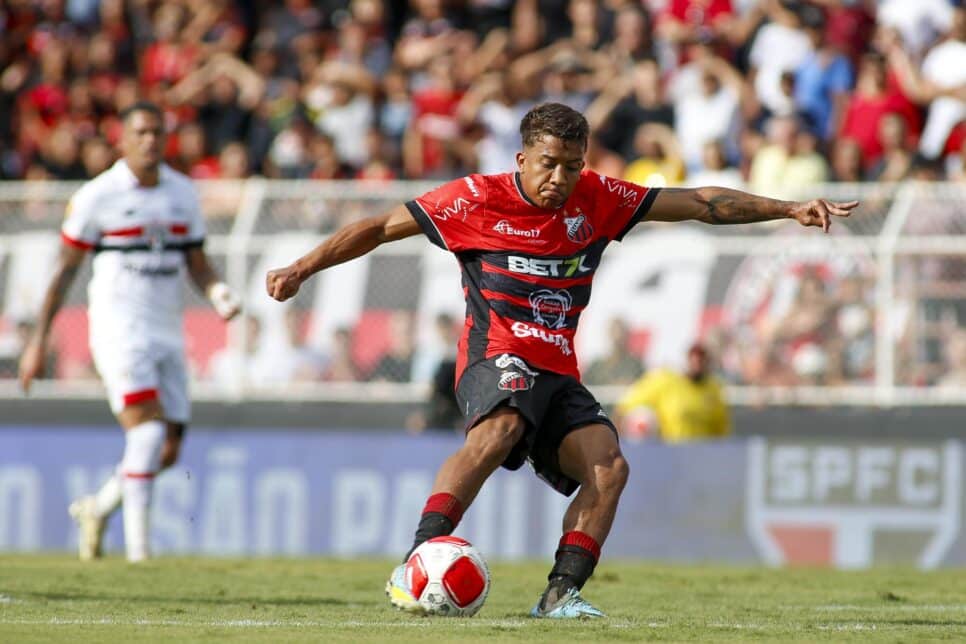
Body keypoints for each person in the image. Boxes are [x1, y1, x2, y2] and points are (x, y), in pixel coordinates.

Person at [265, 102, 857, 618]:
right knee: (500, 428)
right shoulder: (473, 199)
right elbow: (377, 227)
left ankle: (560, 596)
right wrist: (301, 268)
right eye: (549, 163)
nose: (561, 177)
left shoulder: (599, 199)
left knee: (609, 467)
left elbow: (701, 202)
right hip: (494, 355)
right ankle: (414, 561)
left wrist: (788, 208)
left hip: (558, 371)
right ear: (522, 158)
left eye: (572, 165)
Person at [18, 101, 241, 563]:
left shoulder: (182, 193)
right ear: (122, 139)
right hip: (119, 329)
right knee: (146, 435)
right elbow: (64, 272)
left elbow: (196, 263)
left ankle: (96, 510)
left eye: (157, 132)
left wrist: (218, 292)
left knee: (167, 450)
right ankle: (139, 556)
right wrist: (39, 340)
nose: (149, 140)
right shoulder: (98, 196)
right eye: (140, 132)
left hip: (167, 330)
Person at [614, 343, 730, 444]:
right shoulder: (666, 382)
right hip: (671, 455)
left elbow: (721, 432)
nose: (697, 363)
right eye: (693, 358)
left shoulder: (713, 389)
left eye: (701, 359)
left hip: (702, 456)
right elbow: (624, 407)